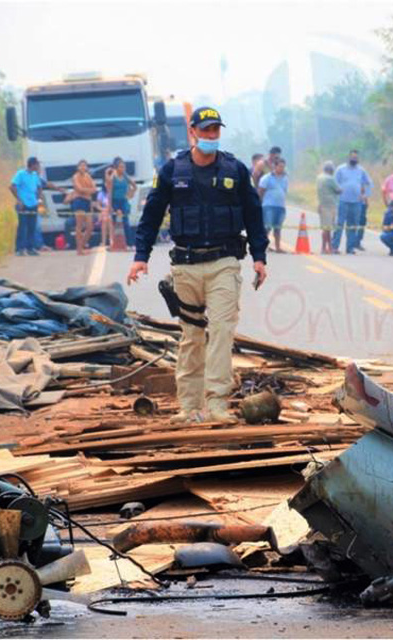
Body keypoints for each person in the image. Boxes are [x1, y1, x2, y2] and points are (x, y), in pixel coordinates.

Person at [127, 106, 269, 426]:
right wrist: (140, 257)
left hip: (224, 263)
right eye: (205, 130)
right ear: (192, 132)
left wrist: (259, 257)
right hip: (186, 266)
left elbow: (253, 215)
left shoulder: (235, 169)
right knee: (192, 337)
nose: (210, 136)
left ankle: (217, 403)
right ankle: (189, 406)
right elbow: (151, 216)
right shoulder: (172, 171)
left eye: (215, 130)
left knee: (220, 332)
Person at [9, 157, 66, 256]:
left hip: (33, 204)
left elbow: (41, 186)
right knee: (23, 227)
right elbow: (12, 186)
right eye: (37, 165)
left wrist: (40, 197)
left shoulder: (35, 176)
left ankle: (30, 248)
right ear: (33, 165)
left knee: (32, 227)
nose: (38, 167)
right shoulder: (21, 174)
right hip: (23, 204)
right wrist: (19, 200)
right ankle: (19, 249)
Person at [332, 150, 372, 255]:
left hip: (356, 203)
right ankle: (334, 247)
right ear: (348, 158)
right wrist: (337, 193)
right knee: (339, 224)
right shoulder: (340, 169)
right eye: (352, 157)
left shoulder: (361, 170)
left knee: (353, 225)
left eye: (356, 158)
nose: (354, 159)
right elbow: (334, 183)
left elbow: (368, 183)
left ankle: (350, 248)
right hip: (342, 201)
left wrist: (365, 195)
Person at [258, 157, 289, 253]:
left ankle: (277, 247)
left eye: (283, 166)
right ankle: (262, 247)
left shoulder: (285, 178)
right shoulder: (267, 178)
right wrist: (260, 203)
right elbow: (261, 191)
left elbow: (284, 191)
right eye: (280, 166)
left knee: (278, 228)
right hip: (269, 206)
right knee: (267, 227)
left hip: (280, 206)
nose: (282, 168)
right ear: (275, 166)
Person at [106, 157, 137, 246]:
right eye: (120, 167)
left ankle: (129, 243)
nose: (122, 169)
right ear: (116, 168)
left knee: (126, 221)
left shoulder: (125, 176)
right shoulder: (113, 177)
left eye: (124, 167)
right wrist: (110, 206)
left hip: (123, 201)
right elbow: (109, 192)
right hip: (115, 201)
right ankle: (112, 243)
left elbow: (134, 186)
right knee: (114, 222)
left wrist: (130, 194)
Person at [71, 160, 97, 254]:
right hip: (79, 201)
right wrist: (88, 190)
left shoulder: (88, 176)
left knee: (90, 226)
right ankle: (79, 249)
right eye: (81, 166)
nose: (83, 167)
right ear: (78, 167)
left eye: (84, 166)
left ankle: (82, 245)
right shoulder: (75, 177)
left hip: (87, 202)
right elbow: (79, 189)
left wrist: (86, 191)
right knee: (79, 225)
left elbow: (94, 188)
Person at [316, 161, 341, 254]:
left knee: (325, 228)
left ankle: (327, 247)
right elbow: (338, 190)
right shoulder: (330, 179)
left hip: (322, 204)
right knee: (328, 228)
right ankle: (326, 248)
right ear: (331, 170)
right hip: (330, 205)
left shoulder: (319, 178)